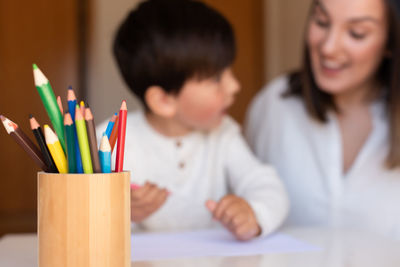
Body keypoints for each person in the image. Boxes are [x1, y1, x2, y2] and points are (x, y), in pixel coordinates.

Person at [103, 0, 289, 241]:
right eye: (216, 78)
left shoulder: (223, 134)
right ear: (164, 101)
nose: (234, 86)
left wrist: (254, 214)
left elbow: (267, 186)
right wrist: (119, 212)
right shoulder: (109, 142)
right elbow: (80, 221)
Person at [246, 0, 400, 239]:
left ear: (391, 41)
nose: (328, 47)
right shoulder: (274, 106)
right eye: (321, 21)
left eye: (356, 33)